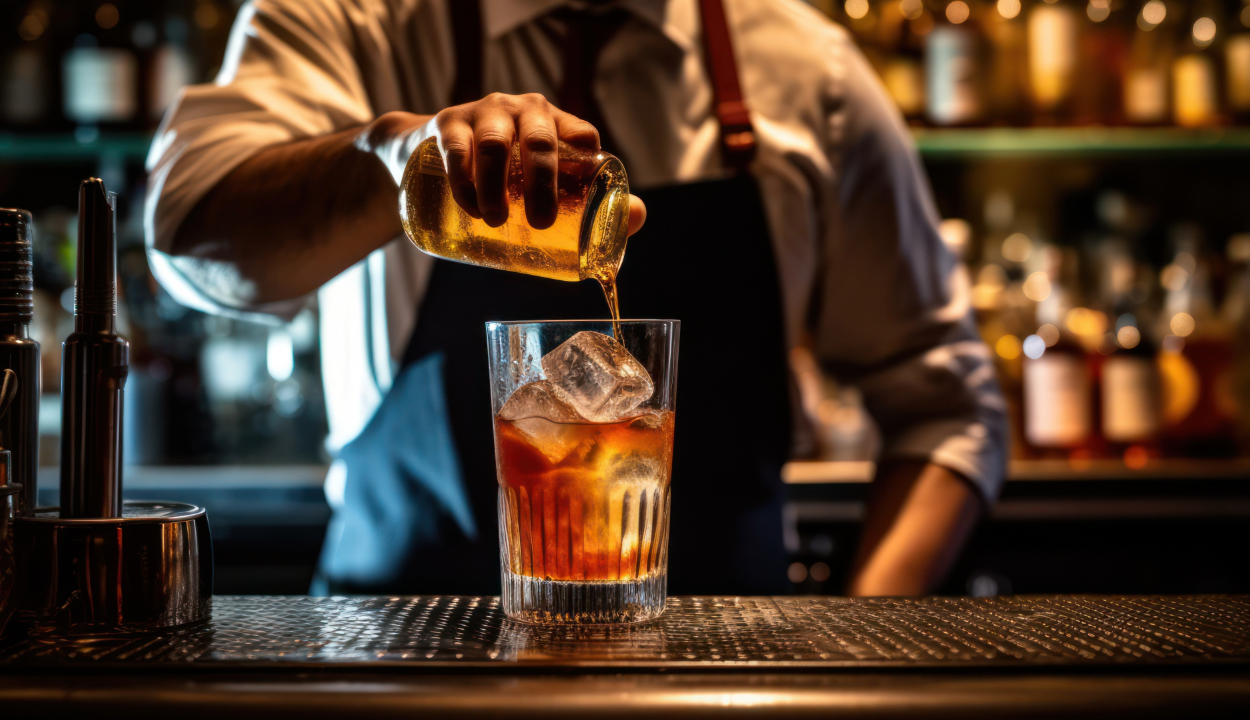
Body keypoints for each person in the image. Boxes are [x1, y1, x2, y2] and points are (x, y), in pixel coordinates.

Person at [145, 0, 1007, 597]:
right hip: (399, 667)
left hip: (730, 682)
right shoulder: (357, 18)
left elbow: (949, 410)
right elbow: (188, 232)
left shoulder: (805, 66)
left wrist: (855, 655)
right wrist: (393, 160)